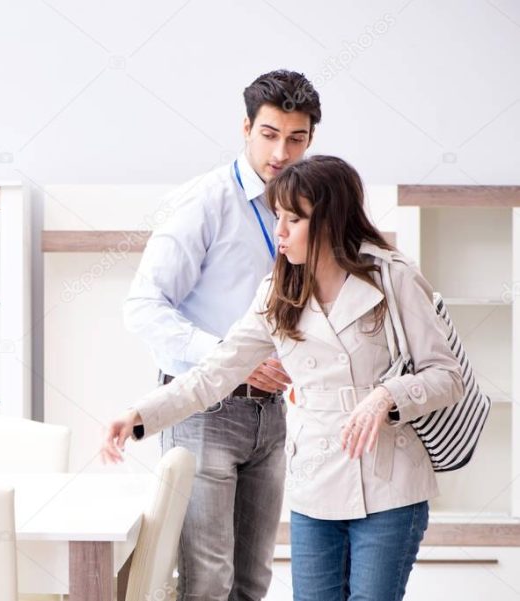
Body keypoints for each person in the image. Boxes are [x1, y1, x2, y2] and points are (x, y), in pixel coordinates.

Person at [104, 155, 463, 600]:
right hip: (316, 485)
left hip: (390, 486)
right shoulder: (278, 290)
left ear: (331, 221)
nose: (280, 232)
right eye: (279, 217)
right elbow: (215, 374)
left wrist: (385, 396)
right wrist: (139, 415)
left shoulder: (393, 278)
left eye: (294, 219)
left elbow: (446, 376)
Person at [121, 69, 321, 600]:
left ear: (311, 139)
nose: (281, 151)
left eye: (296, 138)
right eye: (269, 134)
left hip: (271, 414)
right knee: (208, 582)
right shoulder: (204, 202)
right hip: (203, 413)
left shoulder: (304, 210)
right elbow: (142, 307)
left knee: (253, 581)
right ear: (246, 128)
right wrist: (228, 359)